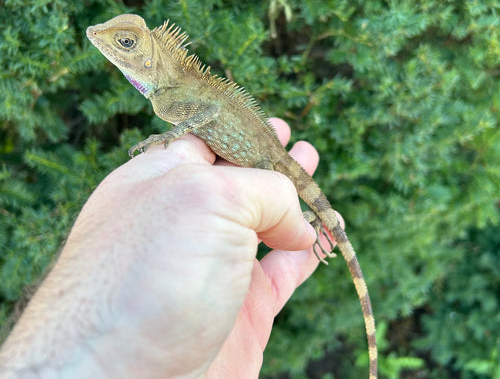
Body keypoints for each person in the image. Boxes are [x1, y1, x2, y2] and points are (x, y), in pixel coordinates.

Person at [0, 118, 341, 378]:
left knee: (285, 199)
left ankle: (315, 223)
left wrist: (169, 135)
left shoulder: (178, 94)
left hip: (266, 158)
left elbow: (206, 112)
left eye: (127, 43)